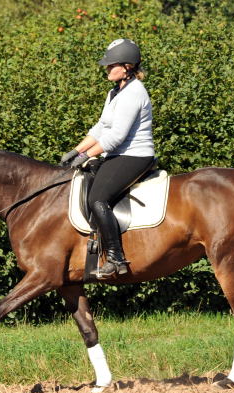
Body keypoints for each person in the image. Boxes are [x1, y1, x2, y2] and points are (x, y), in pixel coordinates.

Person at [60, 38, 155, 279]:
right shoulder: (115, 92)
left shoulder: (134, 93)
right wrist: (75, 152)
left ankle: (116, 257)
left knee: (97, 198)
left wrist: (85, 156)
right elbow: (101, 127)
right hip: (117, 154)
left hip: (135, 156)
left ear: (127, 67)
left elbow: (115, 136)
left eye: (112, 65)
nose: (107, 69)